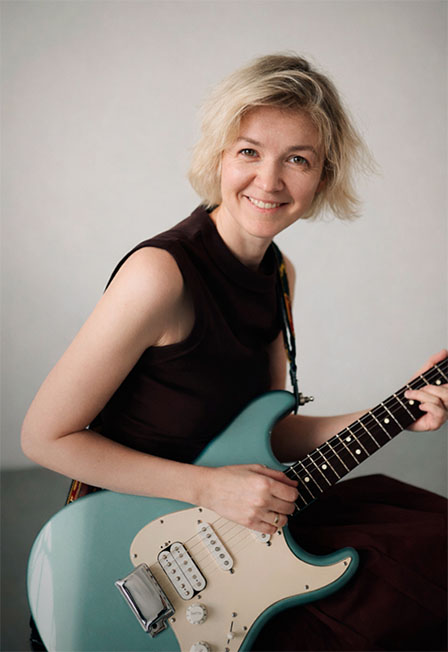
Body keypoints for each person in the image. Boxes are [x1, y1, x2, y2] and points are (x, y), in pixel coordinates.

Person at [22, 54, 447, 651]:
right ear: (219, 156)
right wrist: (207, 489)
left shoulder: (280, 275)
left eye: (297, 159)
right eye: (249, 151)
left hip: (233, 527)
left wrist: (401, 410)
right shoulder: (159, 276)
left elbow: (269, 432)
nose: (269, 181)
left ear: (322, 177)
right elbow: (44, 438)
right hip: (135, 553)